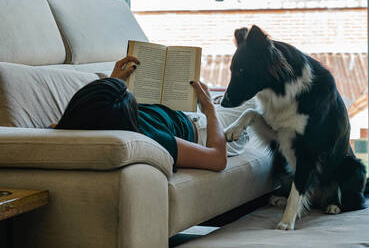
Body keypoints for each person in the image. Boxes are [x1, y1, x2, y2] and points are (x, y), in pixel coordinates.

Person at [53, 56, 252, 172]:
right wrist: (209, 110)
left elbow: (97, 111)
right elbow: (217, 159)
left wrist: (113, 82)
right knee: (255, 103)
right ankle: (218, 105)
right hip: (204, 130)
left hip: (180, 112)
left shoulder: (79, 121)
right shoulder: (151, 140)